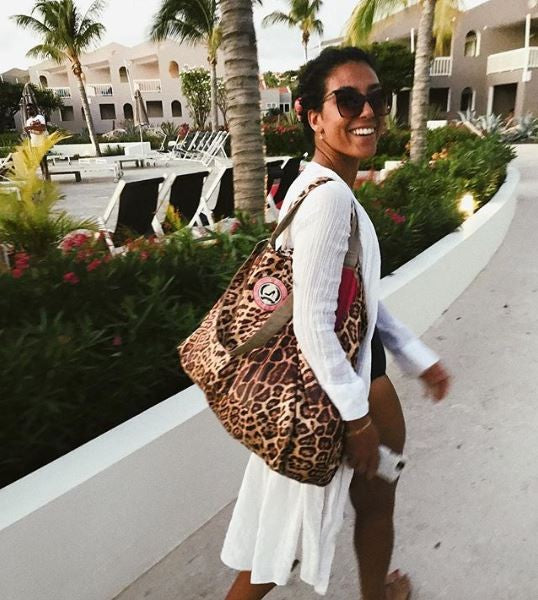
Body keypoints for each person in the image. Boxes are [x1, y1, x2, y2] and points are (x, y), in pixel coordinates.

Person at [222, 47, 450, 600]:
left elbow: (359, 299)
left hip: (351, 386)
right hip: (334, 400)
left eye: (375, 98)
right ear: (313, 116)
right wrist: (357, 419)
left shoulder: (319, 187)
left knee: (370, 508)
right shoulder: (327, 201)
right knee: (279, 550)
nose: (365, 112)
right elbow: (312, 325)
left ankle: (379, 593)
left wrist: (417, 357)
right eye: (346, 100)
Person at [24, 103, 49, 180]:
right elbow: (29, 133)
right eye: (27, 109)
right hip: (34, 144)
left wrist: (30, 128)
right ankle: (44, 178)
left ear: (34, 109)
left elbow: (43, 128)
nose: (29, 111)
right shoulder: (28, 121)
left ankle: (46, 179)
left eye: (30, 109)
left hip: (42, 143)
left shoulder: (40, 117)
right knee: (40, 162)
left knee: (44, 162)